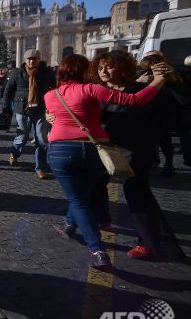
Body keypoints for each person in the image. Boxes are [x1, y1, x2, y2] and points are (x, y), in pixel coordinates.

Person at [43, 54, 167, 268]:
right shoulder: (91, 89)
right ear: (84, 71)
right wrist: (158, 81)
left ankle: (97, 249)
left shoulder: (50, 95)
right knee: (82, 196)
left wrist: (49, 117)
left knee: (79, 198)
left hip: (61, 149)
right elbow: (135, 100)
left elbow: (53, 114)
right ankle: (70, 225)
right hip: (94, 149)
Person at [94, 51, 186, 261]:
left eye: (109, 66)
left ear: (123, 68)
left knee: (138, 194)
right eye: (100, 68)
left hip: (137, 152)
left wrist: (173, 79)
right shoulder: (104, 92)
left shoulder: (143, 90)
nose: (103, 72)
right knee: (95, 184)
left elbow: (180, 104)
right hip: (109, 150)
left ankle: (152, 243)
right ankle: (96, 219)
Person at [2, 49, 56, 179]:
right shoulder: (17, 72)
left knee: (42, 139)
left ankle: (40, 168)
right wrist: (6, 109)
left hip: (41, 109)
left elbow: (55, 88)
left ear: (39, 59)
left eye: (34, 59)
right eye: (29, 59)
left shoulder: (47, 72)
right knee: (22, 137)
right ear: (25, 60)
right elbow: (8, 91)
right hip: (22, 109)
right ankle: (14, 154)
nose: (32, 61)